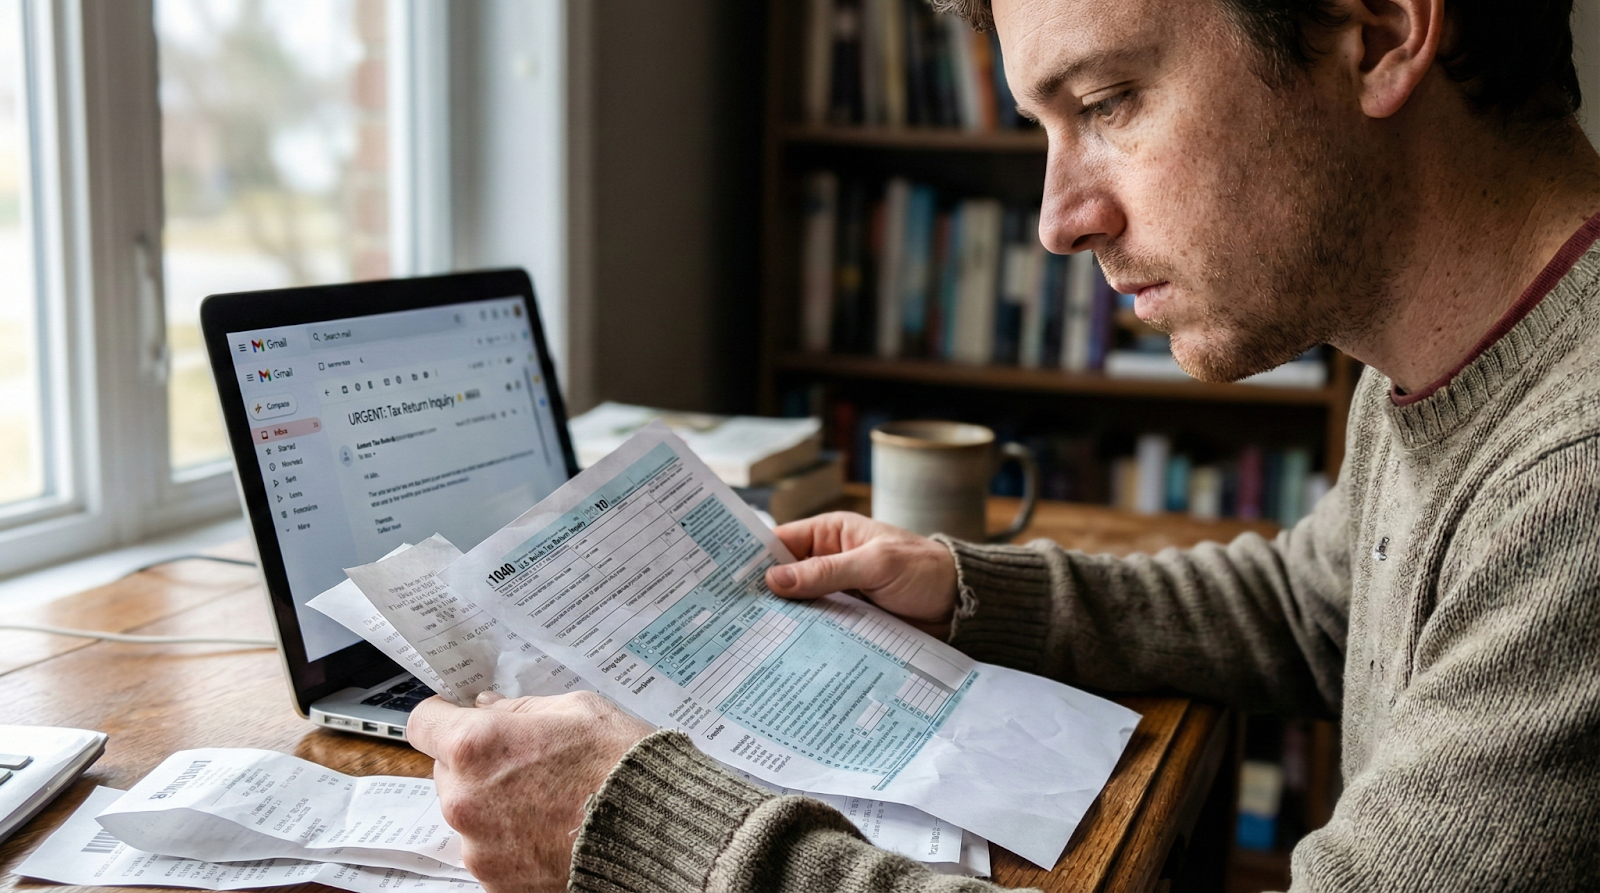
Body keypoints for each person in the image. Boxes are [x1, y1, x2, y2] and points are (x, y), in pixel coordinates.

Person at [407, 0, 1600, 888]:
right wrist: (970, 592)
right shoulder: (1453, 361)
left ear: (1378, 32)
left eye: (1106, 103)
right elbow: (1310, 607)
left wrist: (652, 825)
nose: (1057, 218)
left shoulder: (1578, 480)